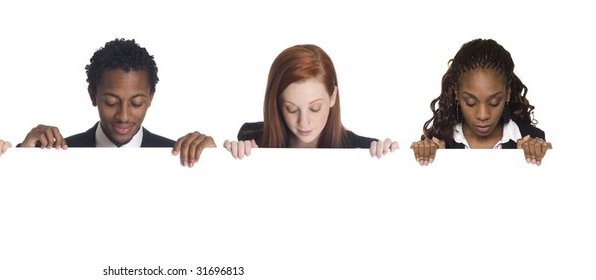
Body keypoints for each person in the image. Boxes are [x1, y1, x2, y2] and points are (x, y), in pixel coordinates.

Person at [18, 38, 215, 167]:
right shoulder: (53, 157)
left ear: (151, 97)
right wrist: (19, 159)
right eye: (111, 102)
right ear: (93, 95)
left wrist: (218, 165)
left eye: (137, 103)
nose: (124, 116)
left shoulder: (181, 157)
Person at [224, 44, 398, 158]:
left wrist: (394, 159)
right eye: (291, 109)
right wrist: (238, 162)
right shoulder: (250, 137)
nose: (304, 122)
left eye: (315, 108)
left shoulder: (365, 150)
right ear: (276, 103)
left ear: (332, 97)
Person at [410, 39, 551, 166]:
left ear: (507, 93)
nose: (483, 115)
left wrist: (536, 159)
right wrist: (429, 162)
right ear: (456, 93)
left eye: (494, 102)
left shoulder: (532, 139)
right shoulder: (436, 144)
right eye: (470, 102)